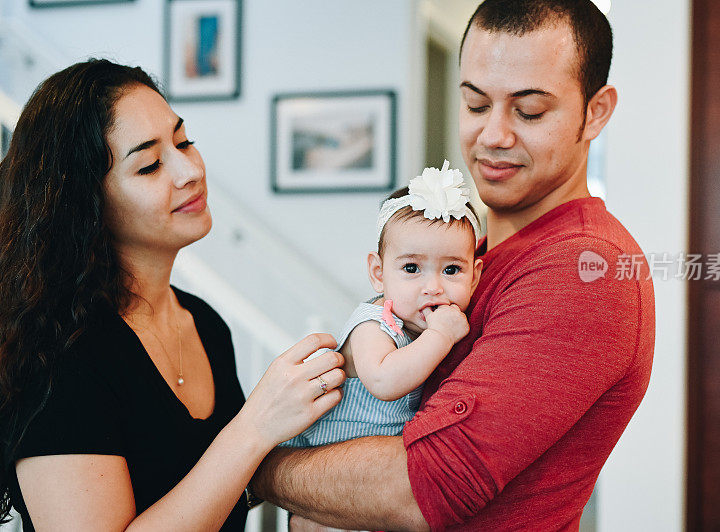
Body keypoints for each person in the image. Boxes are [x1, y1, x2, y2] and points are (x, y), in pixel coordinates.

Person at [251, 1, 656, 530]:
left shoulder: (582, 269)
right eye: (474, 104)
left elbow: (423, 489)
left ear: (595, 112)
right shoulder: (470, 259)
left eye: (529, 111)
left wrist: (254, 464)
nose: (493, 136)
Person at [0, 59, 345, 531]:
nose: (189, 170)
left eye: (183, 142)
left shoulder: (203, 322)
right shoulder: (61, 351)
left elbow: (216, 496)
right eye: (149, 165)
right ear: (85, 202)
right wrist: (254, 428)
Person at [282, 161, 482, 448]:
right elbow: (383, 382)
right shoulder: (373, 325)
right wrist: (441, 336)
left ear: (474, 277)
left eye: (451, 270)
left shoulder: (419, 324)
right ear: (379, 275)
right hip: (326, 451)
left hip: (374, 453)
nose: (434, 288)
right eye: (412, 268)